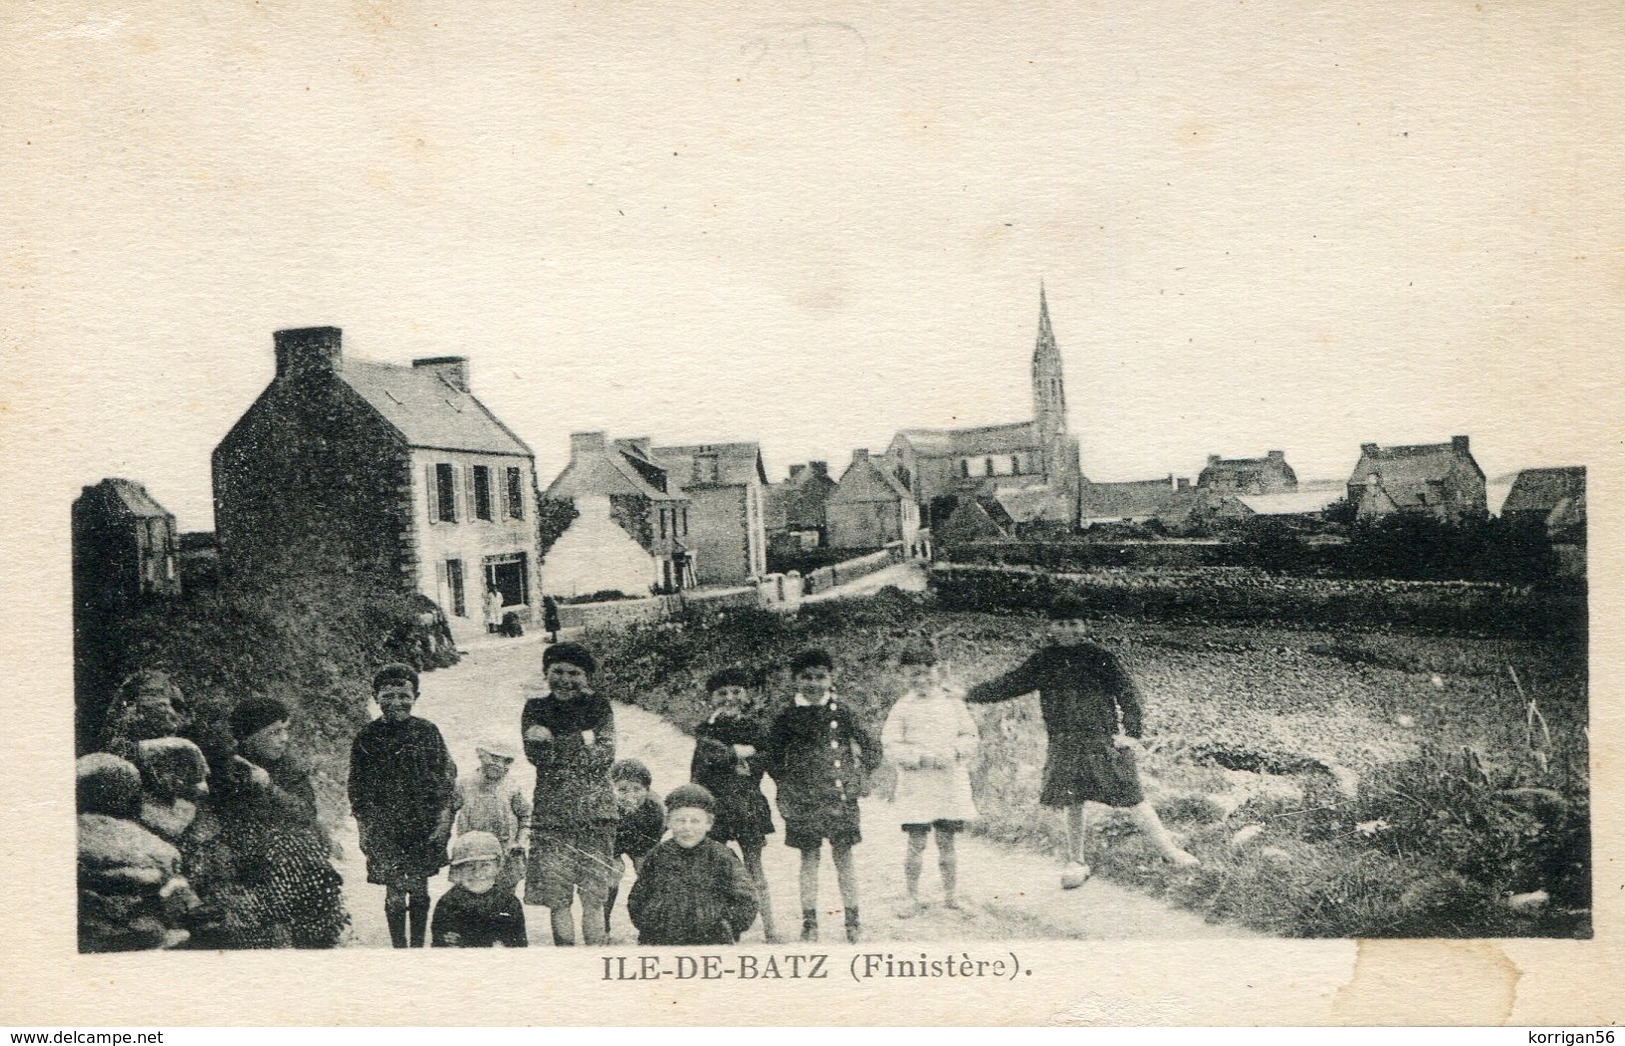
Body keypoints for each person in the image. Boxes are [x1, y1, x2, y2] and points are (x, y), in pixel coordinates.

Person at [963, 622, 1198, 889]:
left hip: (1102, 739)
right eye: (1061, 624)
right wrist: (969, 695)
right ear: (1051, 626)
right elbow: (1010, 684)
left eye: (1074, 623)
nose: (1068, 630)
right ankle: (1077, 861)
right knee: (1071, 800)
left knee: (1132, 795)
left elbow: (1128, 694)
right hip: (1064, 741)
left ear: (1083, 625)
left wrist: (1131, 734)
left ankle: (1170, 852)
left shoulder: (1100, 657)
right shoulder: (1044, 660)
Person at [764, 648, 883, 944]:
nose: (814, 684)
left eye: (821, 677)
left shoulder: (841, 711)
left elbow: (871, 746)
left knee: (844, 857)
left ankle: (852, 920)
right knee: (809, 858)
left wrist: (861, 776)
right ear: (794, 680)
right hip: (804, 800)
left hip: (839, 797)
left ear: (832, 678)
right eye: (807, 677)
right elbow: (772, 757)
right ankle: (810, 921)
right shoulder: (786, 715)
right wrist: (787, 786)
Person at [348, 663, 456, 948]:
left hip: (422, 824)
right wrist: (364, 827)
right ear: (375, 697)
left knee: (419, 888)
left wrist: (444, 820)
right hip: (384, 827)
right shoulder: (367, 738)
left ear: (415, 696)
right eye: (388, 695)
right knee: (394, 891)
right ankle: (399, 948)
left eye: (404, 695)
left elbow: (446, 777)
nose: (396, 702)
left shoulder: (427, 732)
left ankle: (417, 947)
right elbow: (357, 787)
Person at [521, 641, 617, 946]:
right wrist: (582, 741)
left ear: (587, 676)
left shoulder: (599, 705)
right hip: (553, 815)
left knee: (593, 897)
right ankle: (568, 961)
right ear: (545, 673)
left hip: (596, 814)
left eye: (574, 672)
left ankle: (596, 958)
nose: (564, 679)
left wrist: (556, 741)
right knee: (558, 898)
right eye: (557, 671)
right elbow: (538, 757)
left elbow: (604, 754)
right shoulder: (534, 708)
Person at [881, 642, 980, 916]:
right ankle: (912, 895)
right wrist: (917, 757)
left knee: (947, 841)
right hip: (918, 784)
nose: (921, 679)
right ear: (905, 675)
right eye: (914, 674)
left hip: (948, 782)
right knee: (916, 842)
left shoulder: (953, 703)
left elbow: (971, 736)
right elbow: (890, 744)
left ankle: (951, 894)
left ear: (938, 670)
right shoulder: (902, 707)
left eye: (926, 672)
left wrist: (954, 751)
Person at [691, 666, 780, 942]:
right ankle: (721, 925)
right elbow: (699, 768)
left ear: (747, 695)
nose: (730, 697)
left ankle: (770, 928)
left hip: (747, 804)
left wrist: (748, 760)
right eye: (722, 693)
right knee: (714, 866)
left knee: (755, 867)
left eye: (736, 691)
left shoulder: (755, 726)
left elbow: (769, 758)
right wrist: (735, 754)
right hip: (715, 806)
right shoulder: (706, 729)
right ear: (711, 698)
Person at [77, 753, 200, 952]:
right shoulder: (135, 836)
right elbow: (172, 873)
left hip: (89, 932)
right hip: (145, 932)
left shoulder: (69, 829)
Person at [627, 784, 759, 947]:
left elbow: (746, 898)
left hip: (712, 941)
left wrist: (726, 925)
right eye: (680, 820)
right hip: (662, 941)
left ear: (709, 823)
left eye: (695, 821)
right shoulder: (658, 855)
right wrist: (652, 924)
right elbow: (638, 898)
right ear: (669, 822)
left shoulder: (721, 856)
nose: (687, 827)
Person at [453, 738, 532, 894]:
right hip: (472, 853)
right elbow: (448, 811)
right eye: (495, 758)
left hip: (505, 853)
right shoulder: (464, 783)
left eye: (507, 761)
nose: (500, 765)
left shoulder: (512, 787)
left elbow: (526, 816)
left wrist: (520, 842)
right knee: (470, 894)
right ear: (481, 755)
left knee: (504, 896)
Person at [431, 831, 528, 948]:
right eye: (470, 866)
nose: (477, 873)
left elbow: (519, 947)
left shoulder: (509, 902)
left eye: (485, 865)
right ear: (458, 870)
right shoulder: (449, 903)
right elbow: (440, 947)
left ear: (498, 866)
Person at [603, 758, 665, 937]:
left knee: (649, 872)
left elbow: (649, 847)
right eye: (622, 790)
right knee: (612, 872)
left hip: (642, 835)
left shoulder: (655, 809)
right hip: (615, 838)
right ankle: (604, 925)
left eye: (637, 789)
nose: (630, 796)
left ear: (647, 790)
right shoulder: (604, 806)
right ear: (610, 789)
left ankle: (651, 923)